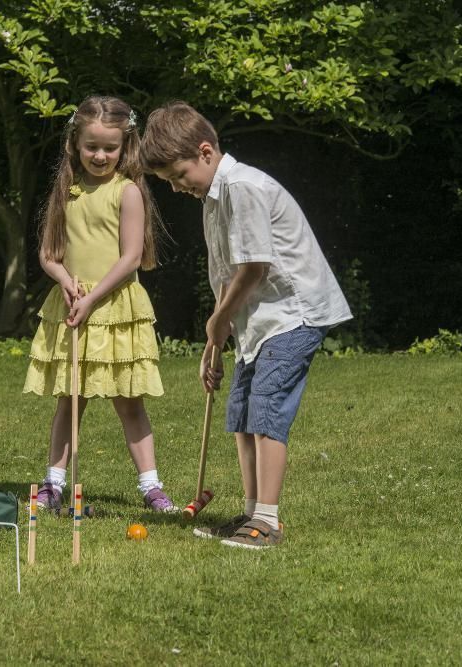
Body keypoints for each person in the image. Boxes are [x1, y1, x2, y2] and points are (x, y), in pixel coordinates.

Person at [141, 101, 353, 549]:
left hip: (293, 314)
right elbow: (225, 274)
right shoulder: (213, 199)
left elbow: (254, 268)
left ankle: (269, 522)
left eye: (179, 176)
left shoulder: (243, 187)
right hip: (259, 322)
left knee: (266, 412)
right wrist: (214, 343)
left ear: (204, 152)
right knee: (240, 415)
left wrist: (218, 321)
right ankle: (251, 513)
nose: (178, 188)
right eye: (169, 182)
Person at [23, 95, 177, 513]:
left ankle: (152, 487)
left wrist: (92, 296)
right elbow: (48, 255)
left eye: (110, 147)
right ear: (75, 143)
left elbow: (130, 258)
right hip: (74, 303)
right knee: (69, 400)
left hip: (113, 307)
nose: (100, 155)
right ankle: (53, 484)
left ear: (126, 147)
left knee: (129, 401)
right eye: (91, 146)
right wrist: (64, 281)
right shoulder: (66, 189)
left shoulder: (127, 192)